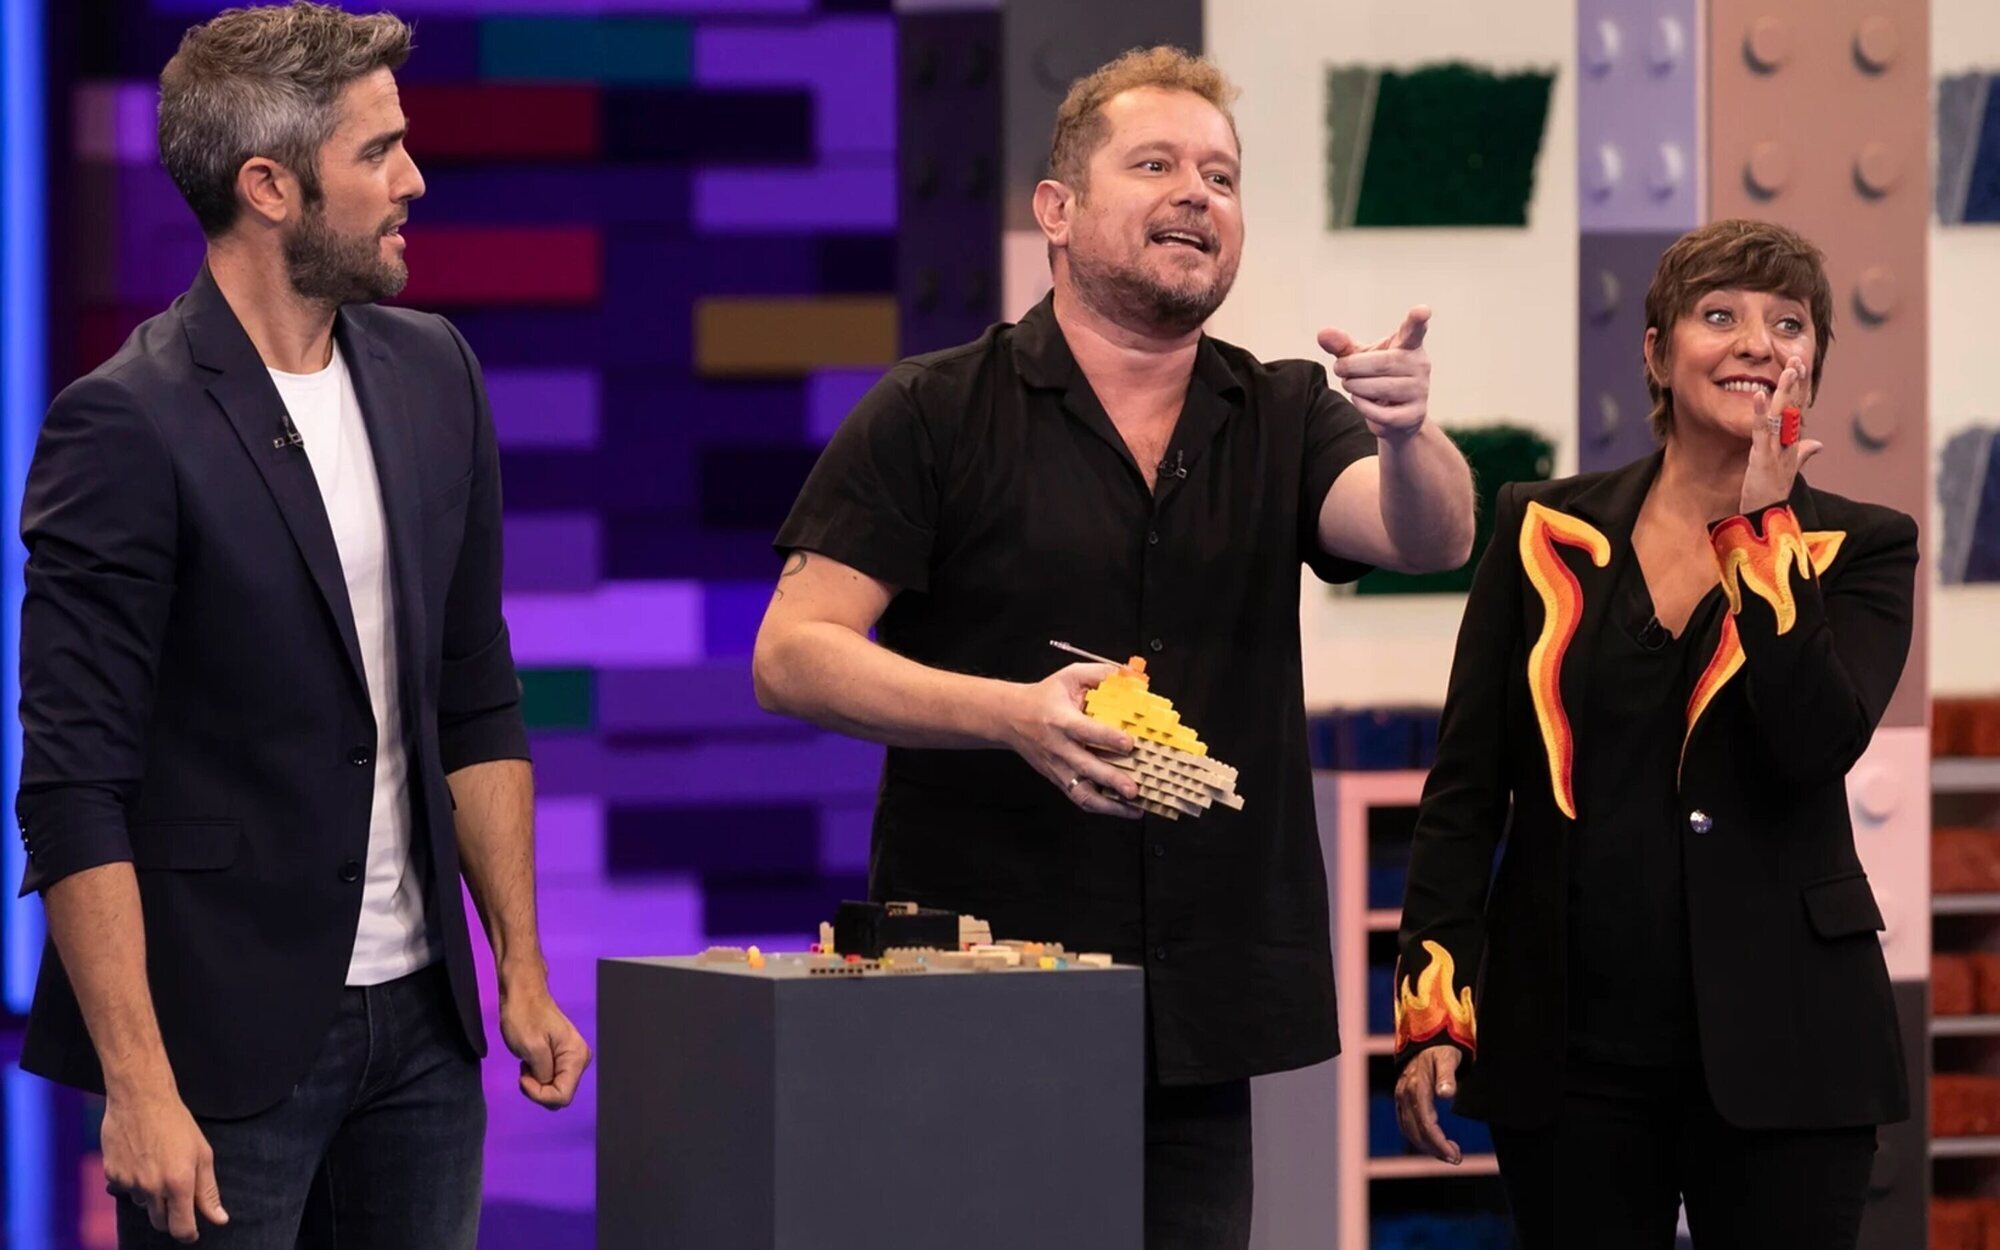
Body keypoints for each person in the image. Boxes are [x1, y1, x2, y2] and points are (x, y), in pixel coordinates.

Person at [754, 45, 1474, 1249]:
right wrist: (1011, 715)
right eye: (1155, 165)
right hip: (973, 998)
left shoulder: (1285, 410)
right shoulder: (934, 410)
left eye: (1221, 176)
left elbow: (1424, 533)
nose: (1197, 192)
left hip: (1199, 1014)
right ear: (1056, 209)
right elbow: (793, 651)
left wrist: (1408, 436)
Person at [16, 6, 589, 1247]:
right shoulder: (125, 424)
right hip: (220, 1050)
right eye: (377, 151)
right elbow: (72, 785)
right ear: (268, 186)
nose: (413, 180)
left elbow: (475, 693)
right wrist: (137, 1082)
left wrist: (521, 968)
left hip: (424, 1033)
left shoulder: (436, 372)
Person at [1391, 218, 1913, 1249]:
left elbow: (1811, 744)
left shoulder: (1862, 546)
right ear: (1656, 352)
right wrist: (1434, 1007)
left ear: (1811, 364)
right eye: (1718, 315)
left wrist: (1760, 534)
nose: (1756, 342)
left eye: (1787, 323)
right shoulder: (1538, 528)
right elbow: (1464, 791)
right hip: (1569, 1053)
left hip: (1789, 1046)